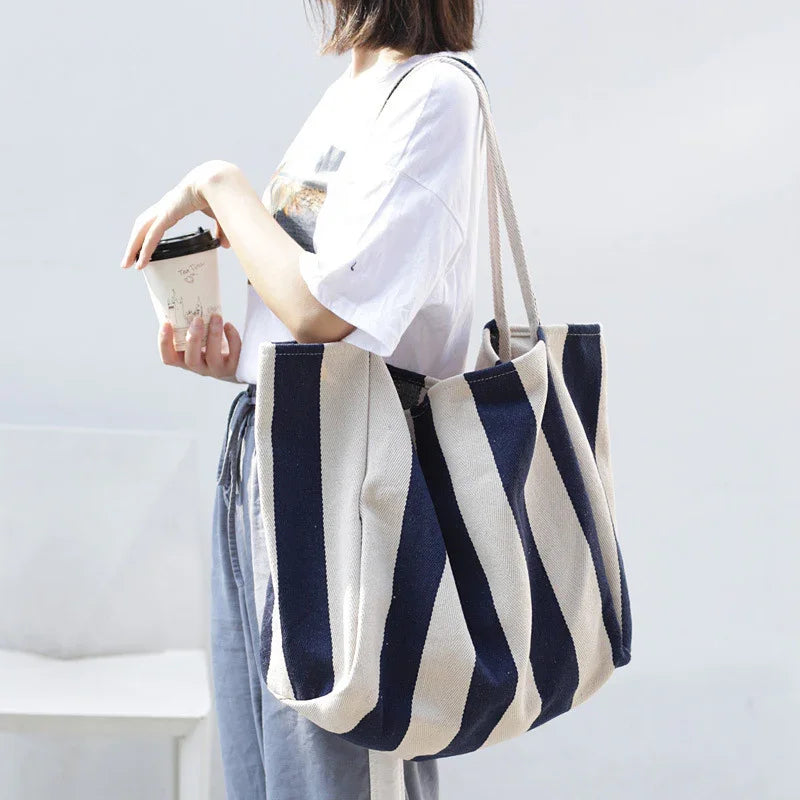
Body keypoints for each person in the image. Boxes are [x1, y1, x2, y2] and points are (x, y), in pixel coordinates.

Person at [120, 1, 487, 797]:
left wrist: (219, 184)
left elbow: (326, 310)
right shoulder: (352, 92)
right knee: (266, 772)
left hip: (347, 481)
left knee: (338, 768)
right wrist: (237, 363)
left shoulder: (436, 96)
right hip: (267, 455)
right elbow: (322, 318)